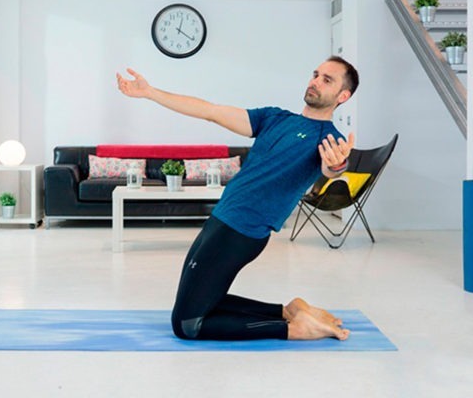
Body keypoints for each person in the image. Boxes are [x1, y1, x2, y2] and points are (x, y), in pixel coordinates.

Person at [116, 56, 358, 341]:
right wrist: (150, 92)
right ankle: (289, 311)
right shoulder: (275, 118)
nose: (315, 82)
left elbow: (331, 167)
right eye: (316, 74)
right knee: (203, 300)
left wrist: (337, 165)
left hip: (241, 232)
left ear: (343, 96)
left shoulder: (329, 140)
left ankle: (294, 329)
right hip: (221, 219)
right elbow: (210, 111)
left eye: (327, 80)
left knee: (187, 325)